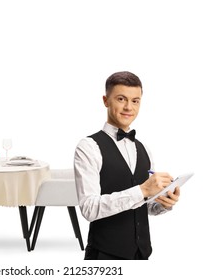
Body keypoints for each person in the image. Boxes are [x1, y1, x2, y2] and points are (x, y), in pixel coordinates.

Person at [73, 71, 180, 260]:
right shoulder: (88, 147)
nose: (128, 107)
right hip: (104, 256)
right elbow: (89, 209)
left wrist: (163, 202)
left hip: (141, 254)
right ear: (106, 101)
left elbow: (144, 206)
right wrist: (142, 189)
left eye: (135, 101)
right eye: (121, 99)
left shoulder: (144, 148)